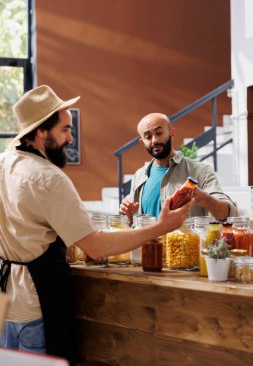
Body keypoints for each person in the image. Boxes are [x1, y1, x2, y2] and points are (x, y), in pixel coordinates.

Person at [0, 86, 190, 365]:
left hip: (6, 302)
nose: (70, 137)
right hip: (35, 305)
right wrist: (161, 227)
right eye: (65, 129)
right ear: (41, 131)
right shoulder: (49, 178)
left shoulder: (4, 162)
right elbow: (95, 247)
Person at [120, 112, 238, 222]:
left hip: (186, 244)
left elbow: (228, 215)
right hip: (149, 245)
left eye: (159, 133)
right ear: (142, 142)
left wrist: (203, 198)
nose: (154, 140)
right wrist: (128, 216)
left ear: (172, 132)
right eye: (148, 136)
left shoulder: (200, 171)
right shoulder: (139, 176)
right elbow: (133, 223)